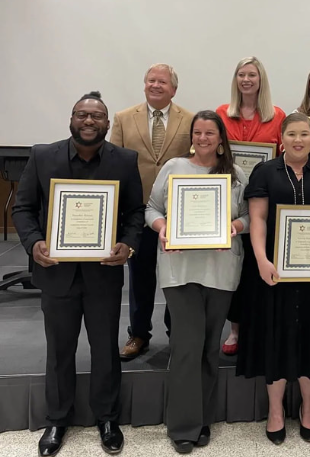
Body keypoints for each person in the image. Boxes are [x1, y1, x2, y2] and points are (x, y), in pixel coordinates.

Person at [12, 92, 144, 456]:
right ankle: (57, 419)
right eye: (82, 114)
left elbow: (135, 213)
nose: (89, 121)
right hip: (56, 275)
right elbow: (23, 208)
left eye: (96, 116)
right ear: (71, 119)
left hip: (103, 273)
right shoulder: (42, 155)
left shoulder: (124, 160)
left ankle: (107, 418)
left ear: (107, 123)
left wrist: (128, 245)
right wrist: (34, 243)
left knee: (105, 350)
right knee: (59, 350)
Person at [237, 113, 310, 444]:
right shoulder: (264, 172)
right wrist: (261, 258)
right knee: (277, 335)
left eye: (304, 134)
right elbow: (257, 219)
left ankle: (309, 408)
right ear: (281, 138)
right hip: (274, 272)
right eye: (291, 134)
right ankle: (275, 411)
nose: (298, 140)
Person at [145, 110, 249, 453]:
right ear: (192, 136)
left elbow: (250, 215)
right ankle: (183, 426)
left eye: (210, 133)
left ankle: (202, 418)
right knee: (187, 346)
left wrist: (235, 226)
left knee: (208, 347)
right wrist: (162, 229)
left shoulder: (234, 174)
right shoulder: (174, 168)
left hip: (220, 270)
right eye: (198, 133)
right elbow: (152, 209)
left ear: (221, 139)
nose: (203, 138)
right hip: (180, 270)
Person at [111, 63, 194, 360]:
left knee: (177, 277)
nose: (155, 85)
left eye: (162, 81)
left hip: (177, 213)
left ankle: (177, 334)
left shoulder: (191, 120)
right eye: (151, 80)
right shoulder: (122, 118)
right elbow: (114, 164)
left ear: (174, 88)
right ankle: (138, 334)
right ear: (144, 84)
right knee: (140, 276)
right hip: (137, 210)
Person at [216, 56, 286, 356]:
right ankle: (234, 328)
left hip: (263, 201)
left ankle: (256, 325)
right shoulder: (221, 113)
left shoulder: (278, 116)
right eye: (241, 75)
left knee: (254, 267)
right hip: (229, 200)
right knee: (232, 264)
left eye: (252, 75)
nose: (246, 80)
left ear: (261, 80)